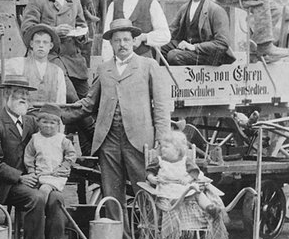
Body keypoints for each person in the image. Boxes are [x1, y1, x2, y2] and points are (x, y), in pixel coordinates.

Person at [71, 19, 172, 223]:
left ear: (135, 41)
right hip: (109, 139)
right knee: (112, 194)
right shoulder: (104, 69)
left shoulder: (148, 65)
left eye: (127, 39)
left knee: (145, 189)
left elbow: (161, 106)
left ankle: (149, 238)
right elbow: (88, 104)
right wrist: (54, 110)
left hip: (139, 139)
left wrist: (162, 138)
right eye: (117, 40)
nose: (122, 44)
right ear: (111, 43)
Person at [0, 74, 70, 239]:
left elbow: (50, 137)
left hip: (35, 179)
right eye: (18, 94)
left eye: (25, 95)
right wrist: (20, 176)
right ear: (6, 96)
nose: (23, 98)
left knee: (56, 198)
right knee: (36, 198)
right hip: (8, 185)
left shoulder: (30, 122)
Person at [20, 0, 90, 100]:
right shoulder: (38, 0)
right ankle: (84, 122)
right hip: (50, 58)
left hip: (73, 59)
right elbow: (27, 30)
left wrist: (79, 34)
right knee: (72, 98)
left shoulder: (74, 2)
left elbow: (84, 29)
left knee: (88, 98)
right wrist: (54, 31)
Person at [160, 0, 233, 66]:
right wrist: (153, 37)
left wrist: (195, 47)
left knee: (174, 56)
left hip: (209, 54)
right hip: (190, 50)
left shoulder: (216, 11)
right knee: (160, 48)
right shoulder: (185, 8)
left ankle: (187, 79)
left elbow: (222, 43)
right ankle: (168, 79)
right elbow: (171, 31)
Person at [24, 104, 78, 196]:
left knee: (44, 190)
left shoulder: (62, 140)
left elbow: (71, 154)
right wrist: (31, 171)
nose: (48, 125)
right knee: (29, 193)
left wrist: (64, 166)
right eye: (45, 122)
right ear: (38, 122)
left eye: (52, 123)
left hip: (55, 175)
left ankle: (40, 210)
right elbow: (29, 156)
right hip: (38, 175)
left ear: (57, 124)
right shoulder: (35, 139)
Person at [13, 24, 70, 104]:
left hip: (50, 115)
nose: (41, 45)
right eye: (37, 42)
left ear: (50, 46)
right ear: (31, 44)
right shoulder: (20, 64)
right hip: (26, 114)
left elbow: (61, 102)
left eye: (45, 42)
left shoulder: (58, 72)